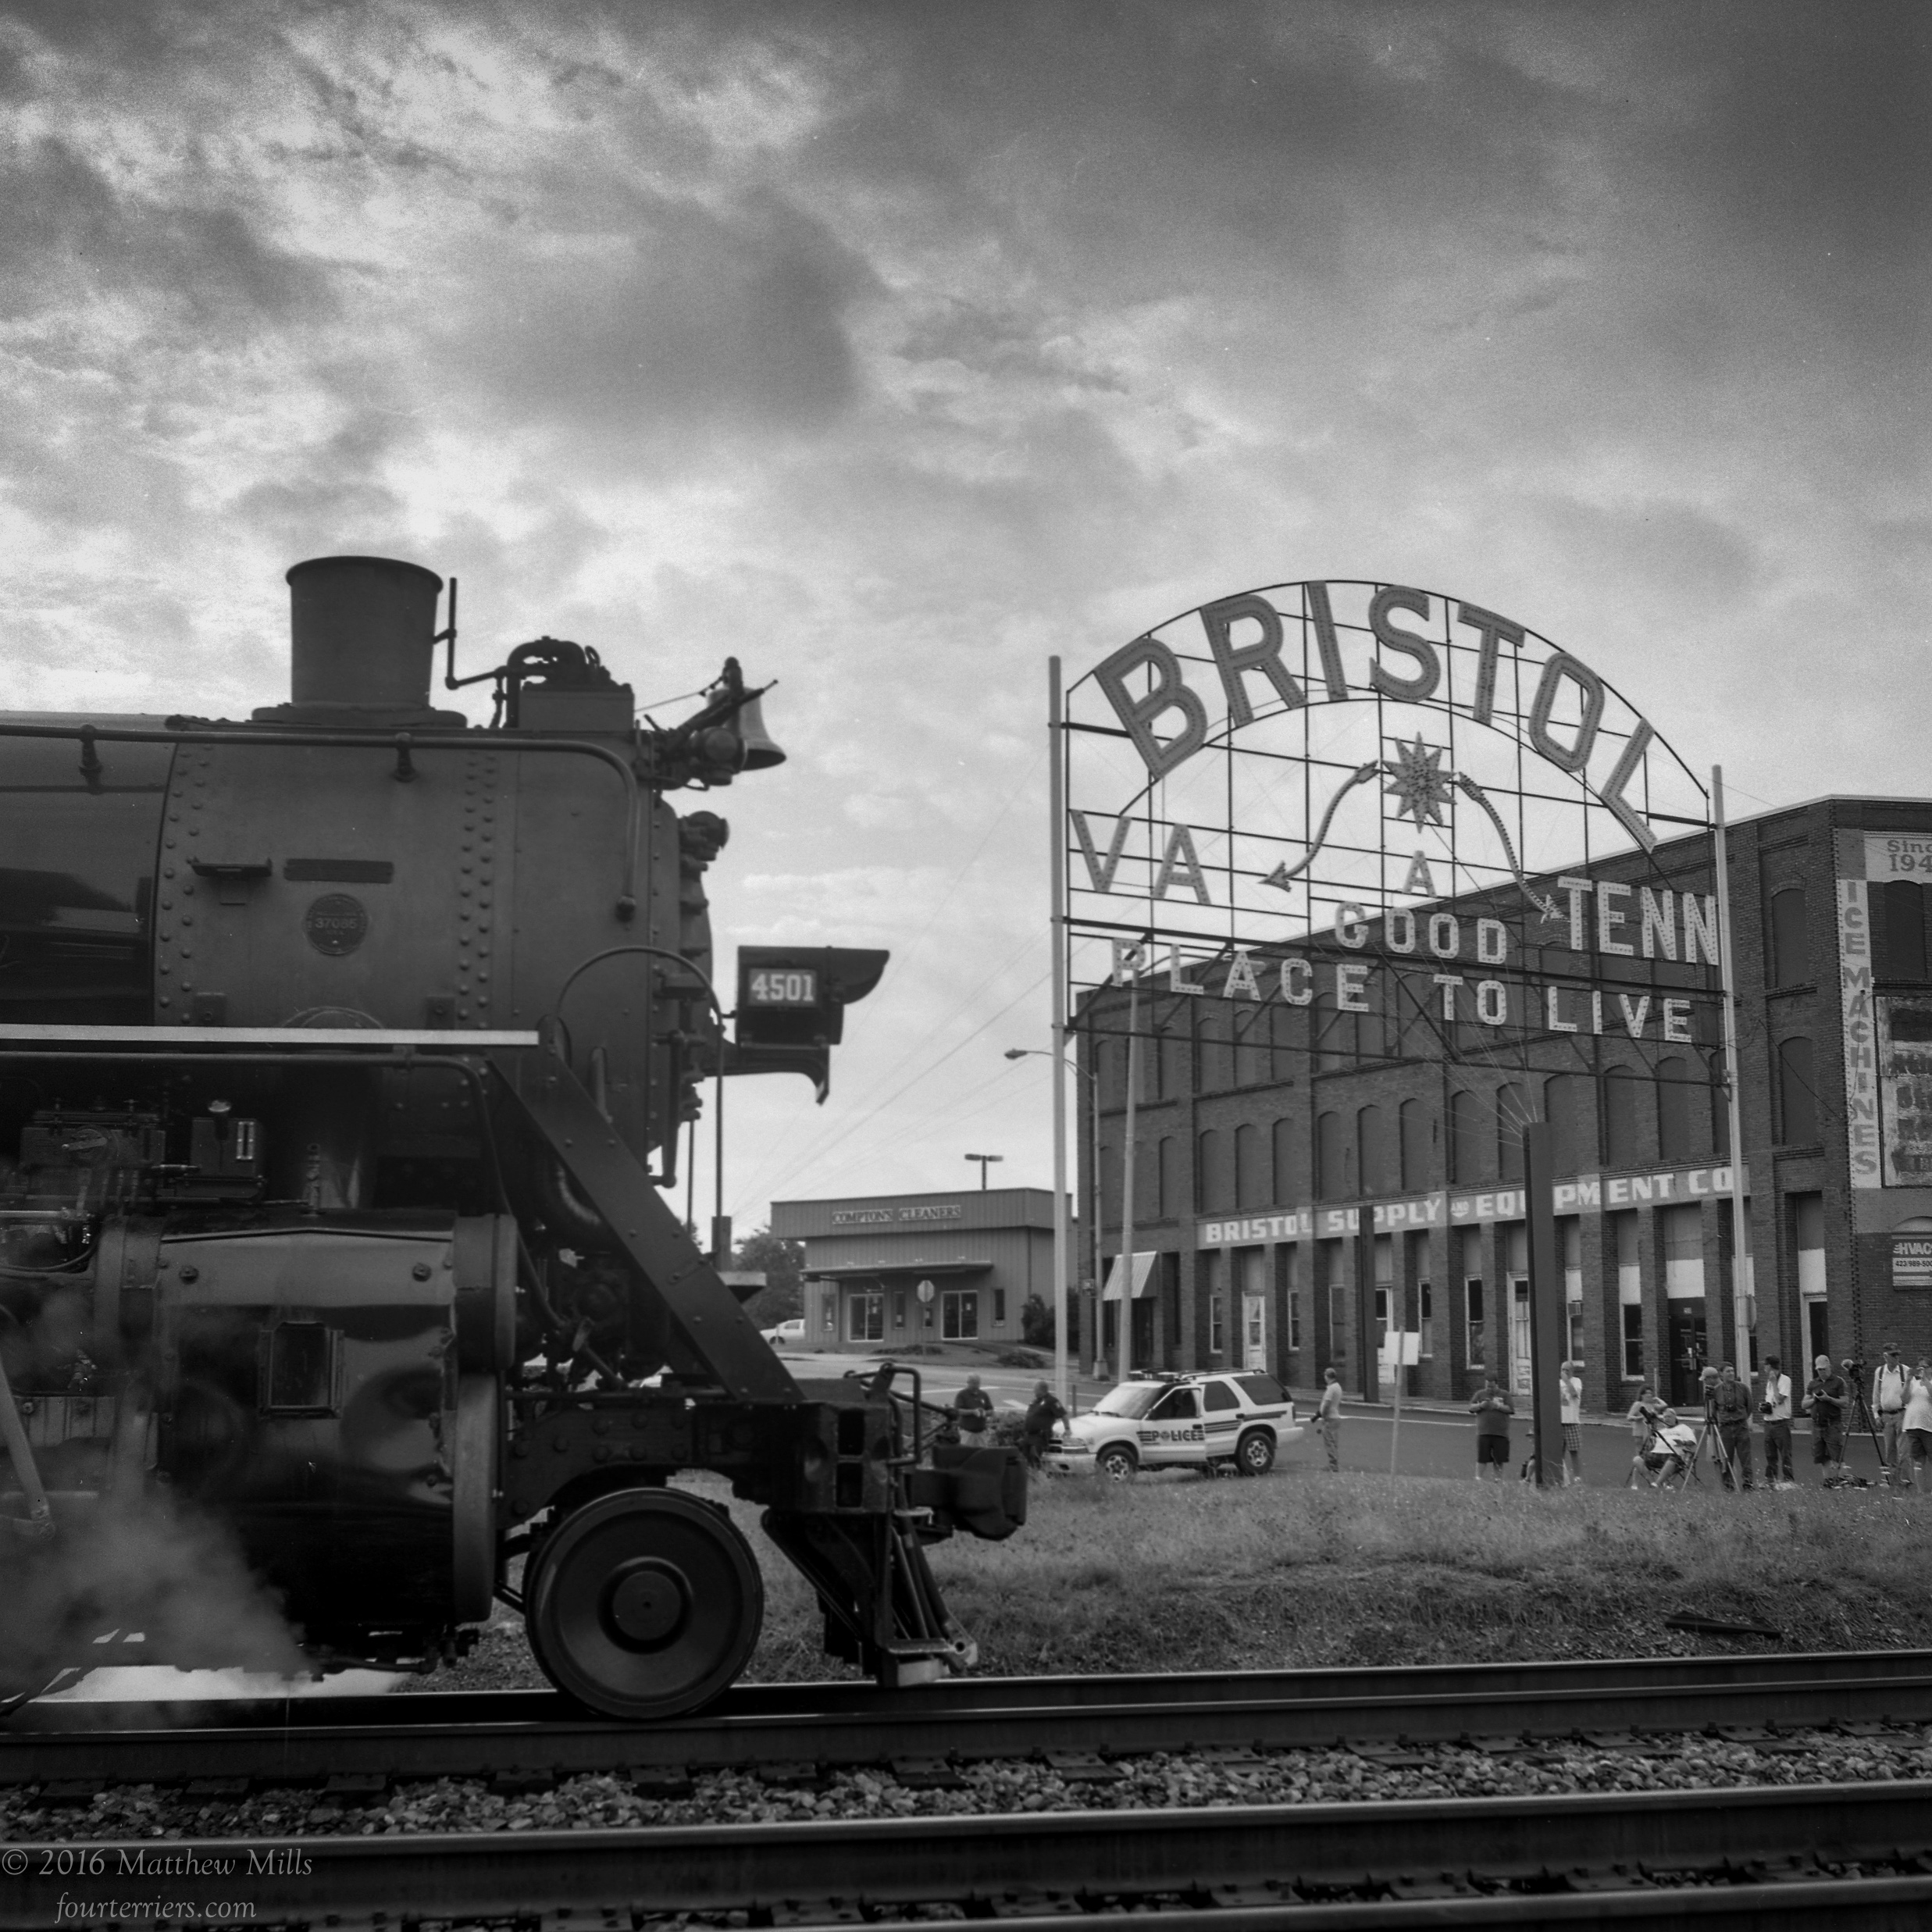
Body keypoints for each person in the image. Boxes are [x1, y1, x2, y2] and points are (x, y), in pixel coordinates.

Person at [1803, 1353, 1848, 1485]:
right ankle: (1828, 1481)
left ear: (1830, 1367)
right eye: (1819, 1370)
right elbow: (1804, 1404)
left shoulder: (1838, 1382)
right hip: (1817, 1424)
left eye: (1824, 1369)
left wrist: (1829, 1399)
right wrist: (1814, 1399)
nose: (1822, 1372)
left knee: (1836, 1454)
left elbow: (1845, 1403)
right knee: (1822, 1456)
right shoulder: (1813, 1384)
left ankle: (1842, 1480)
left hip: (1832, 1423)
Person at [1710, 1362, 1755, 1491]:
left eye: (1732, 1371)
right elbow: (1713, 1410)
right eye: (1728, 1371)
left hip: (1741, 1426)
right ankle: (1728, 1484)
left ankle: (1748, 1483)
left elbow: (1749, 1406)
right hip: (1725, 1428)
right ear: (1721, 1374)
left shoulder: (1743, 1388)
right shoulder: (1716, 1391)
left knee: (1745, 1457)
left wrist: (1742, 1417)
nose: (1731, 1373)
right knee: (1726, 1458)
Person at [1873, 1345, 1911, 1486]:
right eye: (1893, 1355)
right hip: (1886, 1416)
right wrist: (1877, 1415)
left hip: (1902, 1413)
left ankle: (1906, 1481)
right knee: (1890, 1451)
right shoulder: (1880, 1372)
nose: (1896, 1357)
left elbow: (1911, 1394)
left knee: (1904, 1450)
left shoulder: (1904, 1371)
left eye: (1897, 1355)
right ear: (1886, 1356)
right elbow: (1876, 1395)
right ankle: (1893, 1482)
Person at [1759, 1353, 1796, 1489]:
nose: (1764, 1368)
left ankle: (1788, 1480)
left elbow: (1780, 1399)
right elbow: (1772, 1401)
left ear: (1770, 1366)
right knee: (1770, 1453)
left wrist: (1774, 1383)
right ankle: (1771, 1479)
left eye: (1765, 1365)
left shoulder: (1784, 1380)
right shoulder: (1769, 1381)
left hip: (1781, 1423)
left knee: (1785, 1453)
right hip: (1769, 1422)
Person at [1639, 1407, 1699, 1488]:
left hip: (1673, 1455)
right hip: (1656, 1455)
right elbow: (1649, 1441)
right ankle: (1652, 1483)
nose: (1667, 1419)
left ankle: (1657, 1484)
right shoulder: (1660, 1431)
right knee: (1637, 1460)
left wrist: (1683, 1443)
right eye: (1665, 1417)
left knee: (1671, 1460)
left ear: (1675, 1418)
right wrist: (1649, 1427)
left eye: (1669, 1417)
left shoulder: (1683, 1428)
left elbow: (1692, 1441)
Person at [1469, 1377, 1514, 1481]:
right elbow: (1471, 1407)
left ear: (1497, 1385)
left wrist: (1498, 1406)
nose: (1490, 1389)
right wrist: (1481, 1405)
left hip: (1501, 1432)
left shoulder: (1505, 1394)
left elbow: (1510, 1409)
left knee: (1499, 1459)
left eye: (1492, 1386)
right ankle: (1478, 1478)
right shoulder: (1480, 1394)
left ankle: (1497, 1479)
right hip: (1483, 1432)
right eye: (1488, 1386)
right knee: (1482, 1457)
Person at [1902, 1359, 1932, 1492]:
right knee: (1918, 1461)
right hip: (1912, 1425)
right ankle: (1922, 1491)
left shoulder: (1930, 1383)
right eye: (1920, 1367)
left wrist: (1926, 1381)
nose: (1922, 1370)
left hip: (1929, 1427)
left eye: (1925, 1367)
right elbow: (1904, 1399)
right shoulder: (1913, 1383)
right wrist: (1908, 1381)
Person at [1022, 1380, 1067, 1470]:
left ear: (1041, 1390)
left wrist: (1068, 1429)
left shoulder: (1052, 1401)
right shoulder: (1036, 1401)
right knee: (1025, 1457)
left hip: (1039, 1435)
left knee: (1035, 1458)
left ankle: (1036, 1476)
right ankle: (1028, 1475)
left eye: (1035, 1389)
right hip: (1029, 1434)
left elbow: (1063, 1415)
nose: (1033, 1391)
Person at [1558, 1360, 1584, 1486]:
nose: (1564, 1372)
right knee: (1559, 1452)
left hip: (1572, 1421)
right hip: (1559, 1421)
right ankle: (1561, 1477)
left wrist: (1567, 1381)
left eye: (1567, 1370)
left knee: (1574, 1451)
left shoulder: (1576, 1381)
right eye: (1562, 1370)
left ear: (1572, 1372)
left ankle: (1577, 1478)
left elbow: (1574, 1394)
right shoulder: (1557, 1383)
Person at [1317, 1366, 1343, 1472]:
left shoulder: (1331, 1389)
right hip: (1336, 1417)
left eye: (1325, 1375)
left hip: (1330, 1418)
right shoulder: (1337, 1387)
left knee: (1329, 1442)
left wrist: (1324, 1415)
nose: (1324, 1377)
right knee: (1333, 1442)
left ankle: (1333, 1466)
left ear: (1327, 1376)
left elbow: (1327, 1403)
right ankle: (1334, 1464)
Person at [954, 1373, 993, 1438]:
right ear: (968, 1383)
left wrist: (985, 1412)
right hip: (966, 1432)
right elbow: (958, 1410)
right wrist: (972, 1412)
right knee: (966, 1447)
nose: (976, 1385)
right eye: (974, 1383)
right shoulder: (962, 1394)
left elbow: (991, 1410)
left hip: (981, 1432)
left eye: (977, 1383)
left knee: (981, 1448)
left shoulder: (983, 1394)